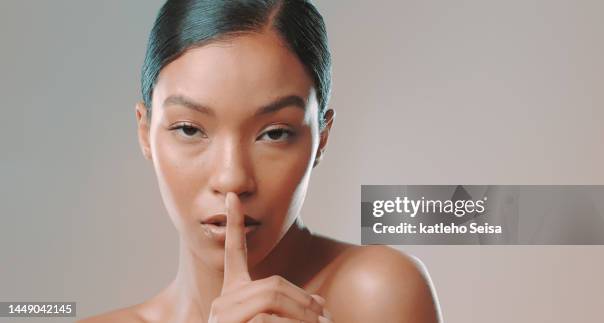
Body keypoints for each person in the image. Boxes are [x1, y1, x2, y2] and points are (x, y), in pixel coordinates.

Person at [79, 0, 440, 322]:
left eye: (274, 133)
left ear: (321, 139)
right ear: (145, 132)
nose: (232, 178)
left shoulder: (376, 294)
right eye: (190, 129)